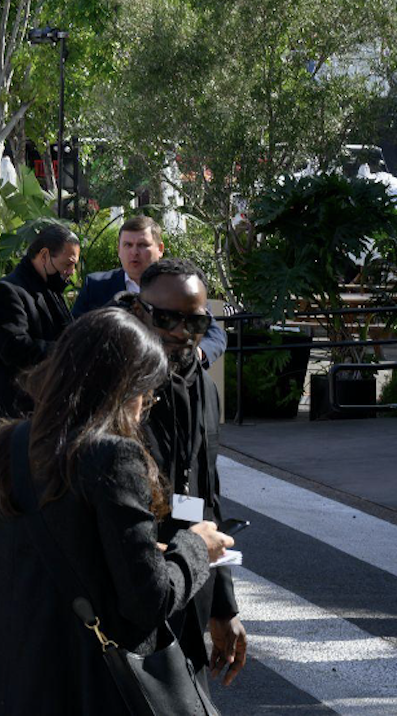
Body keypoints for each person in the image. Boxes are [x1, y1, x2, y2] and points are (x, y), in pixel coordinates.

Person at [0, 307, 233, 715]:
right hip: (86, 685)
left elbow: (2, 563)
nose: (146, 404)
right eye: (146, 391)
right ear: (120, 388)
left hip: (12, 677)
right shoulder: (112, 455)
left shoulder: (7, 443)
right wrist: (196, 546)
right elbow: (147, 603)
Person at [126, 259, 247, 690]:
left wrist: (223, 604)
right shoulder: (114, 389)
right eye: (166, 318)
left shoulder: (204, 389)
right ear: (139, 312)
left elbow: (206, 495)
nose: (180, 332)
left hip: (189, 588)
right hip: (128, 596)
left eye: (195, 322)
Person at [0, 221, 80, 547]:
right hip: (6, 418)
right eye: (68, 262)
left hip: (39, 418)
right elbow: (17, 349)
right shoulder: (7, 291)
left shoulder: (51, 293)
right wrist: (73, 351)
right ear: (44, 255)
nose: (71, 271)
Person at [72, 214, 226, 365]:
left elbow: (214, 334)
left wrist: (197, 354)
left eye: (142, 245)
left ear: (160, 249)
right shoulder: (96, 285)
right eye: (128, 245)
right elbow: (74, 333)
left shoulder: (180, 285)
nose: (134, 252)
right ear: (119, 250)